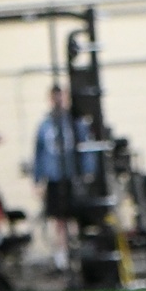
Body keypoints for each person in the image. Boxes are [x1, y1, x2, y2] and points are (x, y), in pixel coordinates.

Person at [32, 84, 90, 269]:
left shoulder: (75, 122)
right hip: (54, 178)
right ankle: (62, 255)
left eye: (60, 96)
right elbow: (39, 153)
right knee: (59, 219)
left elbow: (86, 149)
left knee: (77, 216)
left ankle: (80, 253)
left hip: (72, 176)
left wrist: (88, 172)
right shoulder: (45, 125)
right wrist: (38, 179)